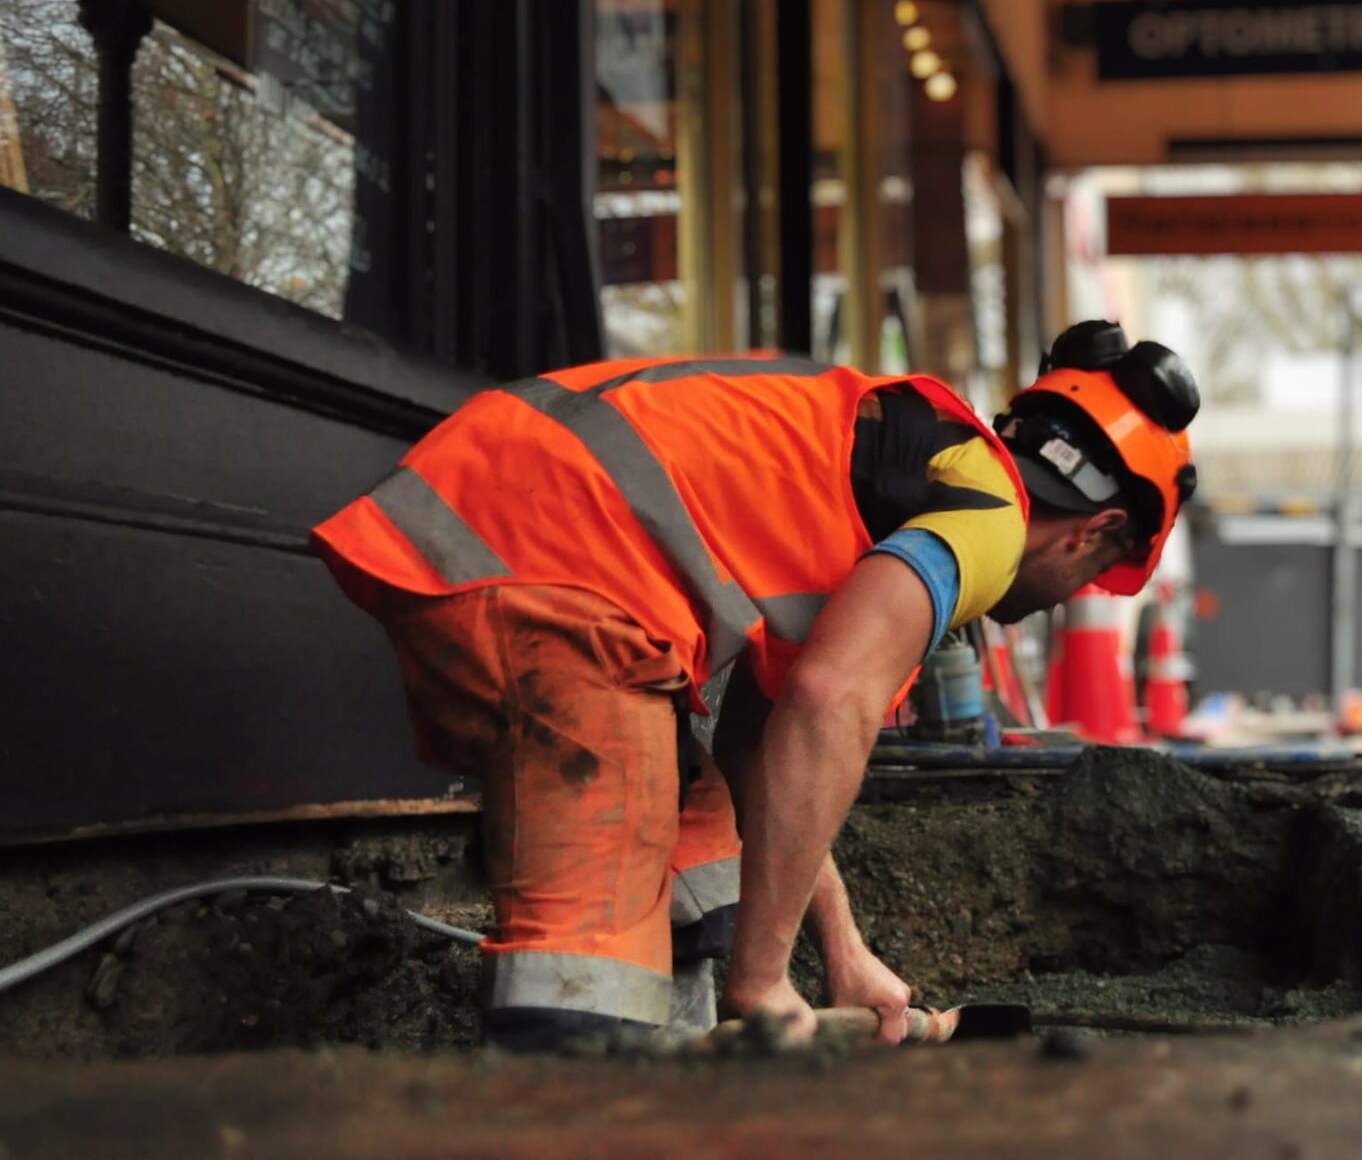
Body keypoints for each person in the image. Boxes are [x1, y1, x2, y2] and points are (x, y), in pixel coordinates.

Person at [310, 322, 1196, 1051]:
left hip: (505, 525)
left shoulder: (902, 468)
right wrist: (765, 980)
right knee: (583, 982)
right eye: (1092, 581)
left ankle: (693, 1104)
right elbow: (829, 704)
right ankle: (583, 1098)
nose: (1063, 603)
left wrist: (843, 955)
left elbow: (757, 747)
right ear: (1097, 532)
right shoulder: (988, 518)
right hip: (554, 565)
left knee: (708, 856)